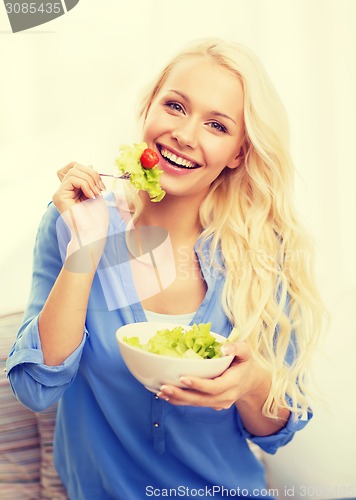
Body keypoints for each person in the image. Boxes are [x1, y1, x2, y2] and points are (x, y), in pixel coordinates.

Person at [6, 38, 325, 499]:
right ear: (149, 109)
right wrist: (86, 249)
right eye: (175, 106)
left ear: (238, 152)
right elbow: (35, 388)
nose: (186, 134)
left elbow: (274, 432)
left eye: (216, 125)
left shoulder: (263, 251)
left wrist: (250, 383)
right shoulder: (74, 221)